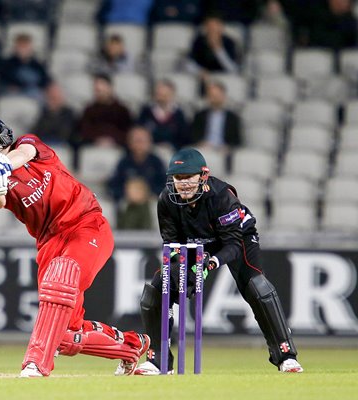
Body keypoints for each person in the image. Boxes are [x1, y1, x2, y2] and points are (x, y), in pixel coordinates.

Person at [0, 114, 150, 378]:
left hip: (85, 224)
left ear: (3, 134)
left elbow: (24, 154)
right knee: (63, 334)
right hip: (50, 242)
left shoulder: (27, 146)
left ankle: (36, 362)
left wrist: (2, 164)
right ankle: (131, 346)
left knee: (61, 276)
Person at [134, 147, 303, 375]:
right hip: (194, 244)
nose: (183, 184)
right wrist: (179, 268)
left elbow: (232, 245)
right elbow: (171, 242)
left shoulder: (222, 196)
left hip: (236, 238)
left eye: (188, 177)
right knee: (155, 290)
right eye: (178, 178)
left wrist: (209, 263)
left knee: (257, 288)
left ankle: (286, 356)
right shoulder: (166, 200)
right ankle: (158, 360)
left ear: (203, 176)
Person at [108, 126, 166, 205]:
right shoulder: (123, 162)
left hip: (151, 199)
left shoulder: (156, 162)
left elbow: (164, 185)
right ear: (130, 143)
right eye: (137, 141)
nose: (140, 145)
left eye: (143, 141)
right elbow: (114, 184)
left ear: (150, 142)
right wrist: (127, 193)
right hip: (128, 200)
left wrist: (147, 193)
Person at [77, 73, 133, 148]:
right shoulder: (89, 110)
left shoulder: (122, 110)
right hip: (93, 147)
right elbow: (85, 131)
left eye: (102, 88)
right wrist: (97, 140)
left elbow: (128, 132)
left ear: (110, 88)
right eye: (97, 90)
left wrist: (113, 140)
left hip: (118, 147)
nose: (99, 92)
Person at [190, 80, 242, 151]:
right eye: (212, 95)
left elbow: (237, 141)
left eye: (217, 95)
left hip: (224, 151)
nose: (215, 98)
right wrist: (201, 143)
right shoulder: (199, 115)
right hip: (204, 149)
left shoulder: (233, 118)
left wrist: (227, 147)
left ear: (224, 96)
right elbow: (192, 136)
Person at [137, 79, 190, 150]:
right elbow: (139, 131)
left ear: (172, 94)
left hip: (172, 150)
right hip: (150, 150)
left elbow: (184, 137)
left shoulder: (178, 114)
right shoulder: (146, 112)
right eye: (159, 94)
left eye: (165, 95)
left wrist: (172, 146)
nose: (162, 98)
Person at [0, 33, 50, 101]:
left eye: (25, 46)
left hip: (34, 95)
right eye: (21, 46)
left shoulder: (38, 65)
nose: (23, 49)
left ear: (31, 47)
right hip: (13, 96)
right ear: (15, 47)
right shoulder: (6, 64)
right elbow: (4, 80)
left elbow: (44, 81)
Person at [187, 13, 240, 78]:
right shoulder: (199, 41)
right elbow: (189, 64)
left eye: (215, 26)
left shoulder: (229, 42)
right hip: (202, 77)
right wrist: (200, 71)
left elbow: (233, 69)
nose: (212, 30)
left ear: (221, 27)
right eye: (209, 26)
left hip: (224, 77)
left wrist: (218, 50)